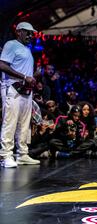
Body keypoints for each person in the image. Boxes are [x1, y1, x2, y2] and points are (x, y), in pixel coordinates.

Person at [0, 22, 40, 168]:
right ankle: (5, 155)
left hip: (26, 91)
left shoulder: (27, 49)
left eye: (32, 33)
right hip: (13, 89)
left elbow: (25, 72)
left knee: (24, 124)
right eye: (27, 32)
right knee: (10, 122)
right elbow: (2, 65)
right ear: (18, 32)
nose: (30, 36)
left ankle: (22, 154)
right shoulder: (11, 45)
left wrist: (33, 76)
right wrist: (24, 77)